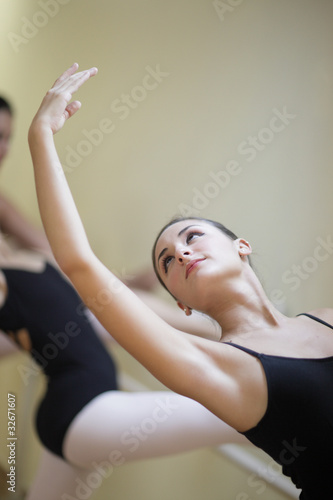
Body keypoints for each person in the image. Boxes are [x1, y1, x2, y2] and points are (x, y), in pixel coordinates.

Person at [27, 63, 333, 500]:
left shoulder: (325, 320)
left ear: (241, 246)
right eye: (166, 262)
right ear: (180, 304)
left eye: (192, 237)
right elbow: (78, 262)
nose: (182, 253)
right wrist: (41, 136)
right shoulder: (211, 367)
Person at [0, 95, 247, 500]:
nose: (3, 149)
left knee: (95, 308)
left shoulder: (18, 237)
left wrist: (134, 281)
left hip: (71, 408)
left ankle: (234, 334)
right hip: (82, 412)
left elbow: (80, 277)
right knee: (248, 406)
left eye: (8, 138)